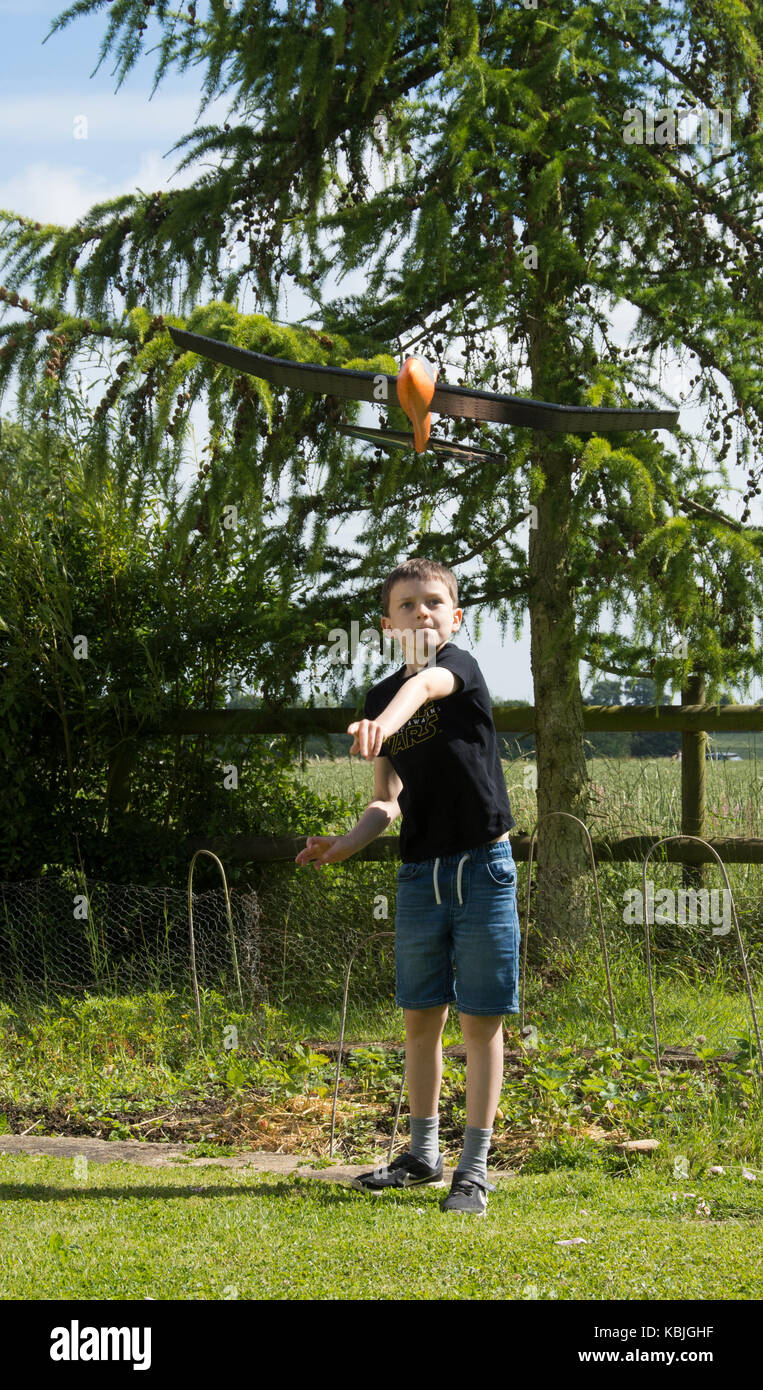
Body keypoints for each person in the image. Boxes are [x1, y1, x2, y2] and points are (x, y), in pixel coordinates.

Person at [295, 557, 519, 1215]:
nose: (421, 613)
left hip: (483, 870)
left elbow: (421, 692)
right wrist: (344, 844)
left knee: (480, 1024)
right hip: (420, 876)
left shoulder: (460, 669)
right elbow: (386, 803)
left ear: (453, 618)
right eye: (407, 606)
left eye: (432, 603)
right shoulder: (375, 699)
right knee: (420, 1021)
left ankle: (472, 1170)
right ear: (387, 625)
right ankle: (422, 1155)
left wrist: (382, 726)